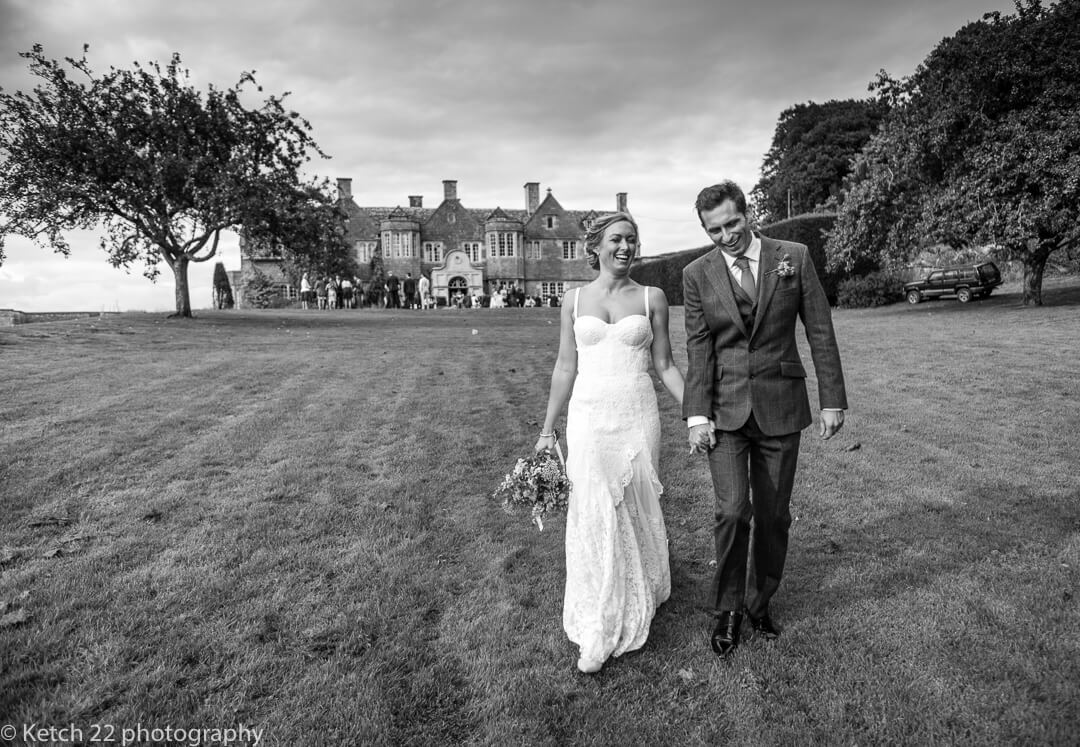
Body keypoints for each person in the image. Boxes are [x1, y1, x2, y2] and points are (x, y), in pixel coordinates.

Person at [682, 180, 848, 659]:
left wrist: (832, 399)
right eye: (714, 230)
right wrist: (697, 415)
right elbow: (699, 349)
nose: (726, 235)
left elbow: (819, 328)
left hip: (781, 404)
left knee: (774, 515)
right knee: (733, 512)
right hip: (725, 412)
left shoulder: (792, 256)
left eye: (732, 223)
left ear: (747, 213)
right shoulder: (697, 274)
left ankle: (759, 602)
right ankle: (728, 610)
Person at [534, 212, 685, 674]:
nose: (626, 247)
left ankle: (644, 587)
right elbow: (565, 366)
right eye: (617, 239)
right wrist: (546, 430)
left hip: (637, 414)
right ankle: (600, 621)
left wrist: (696, 410)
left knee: (636, 504)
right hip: (589, 417)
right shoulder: (574, 300)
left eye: (632, 239)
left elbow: (664, 364)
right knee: (595, 508)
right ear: (595, 246)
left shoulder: (651, 296)